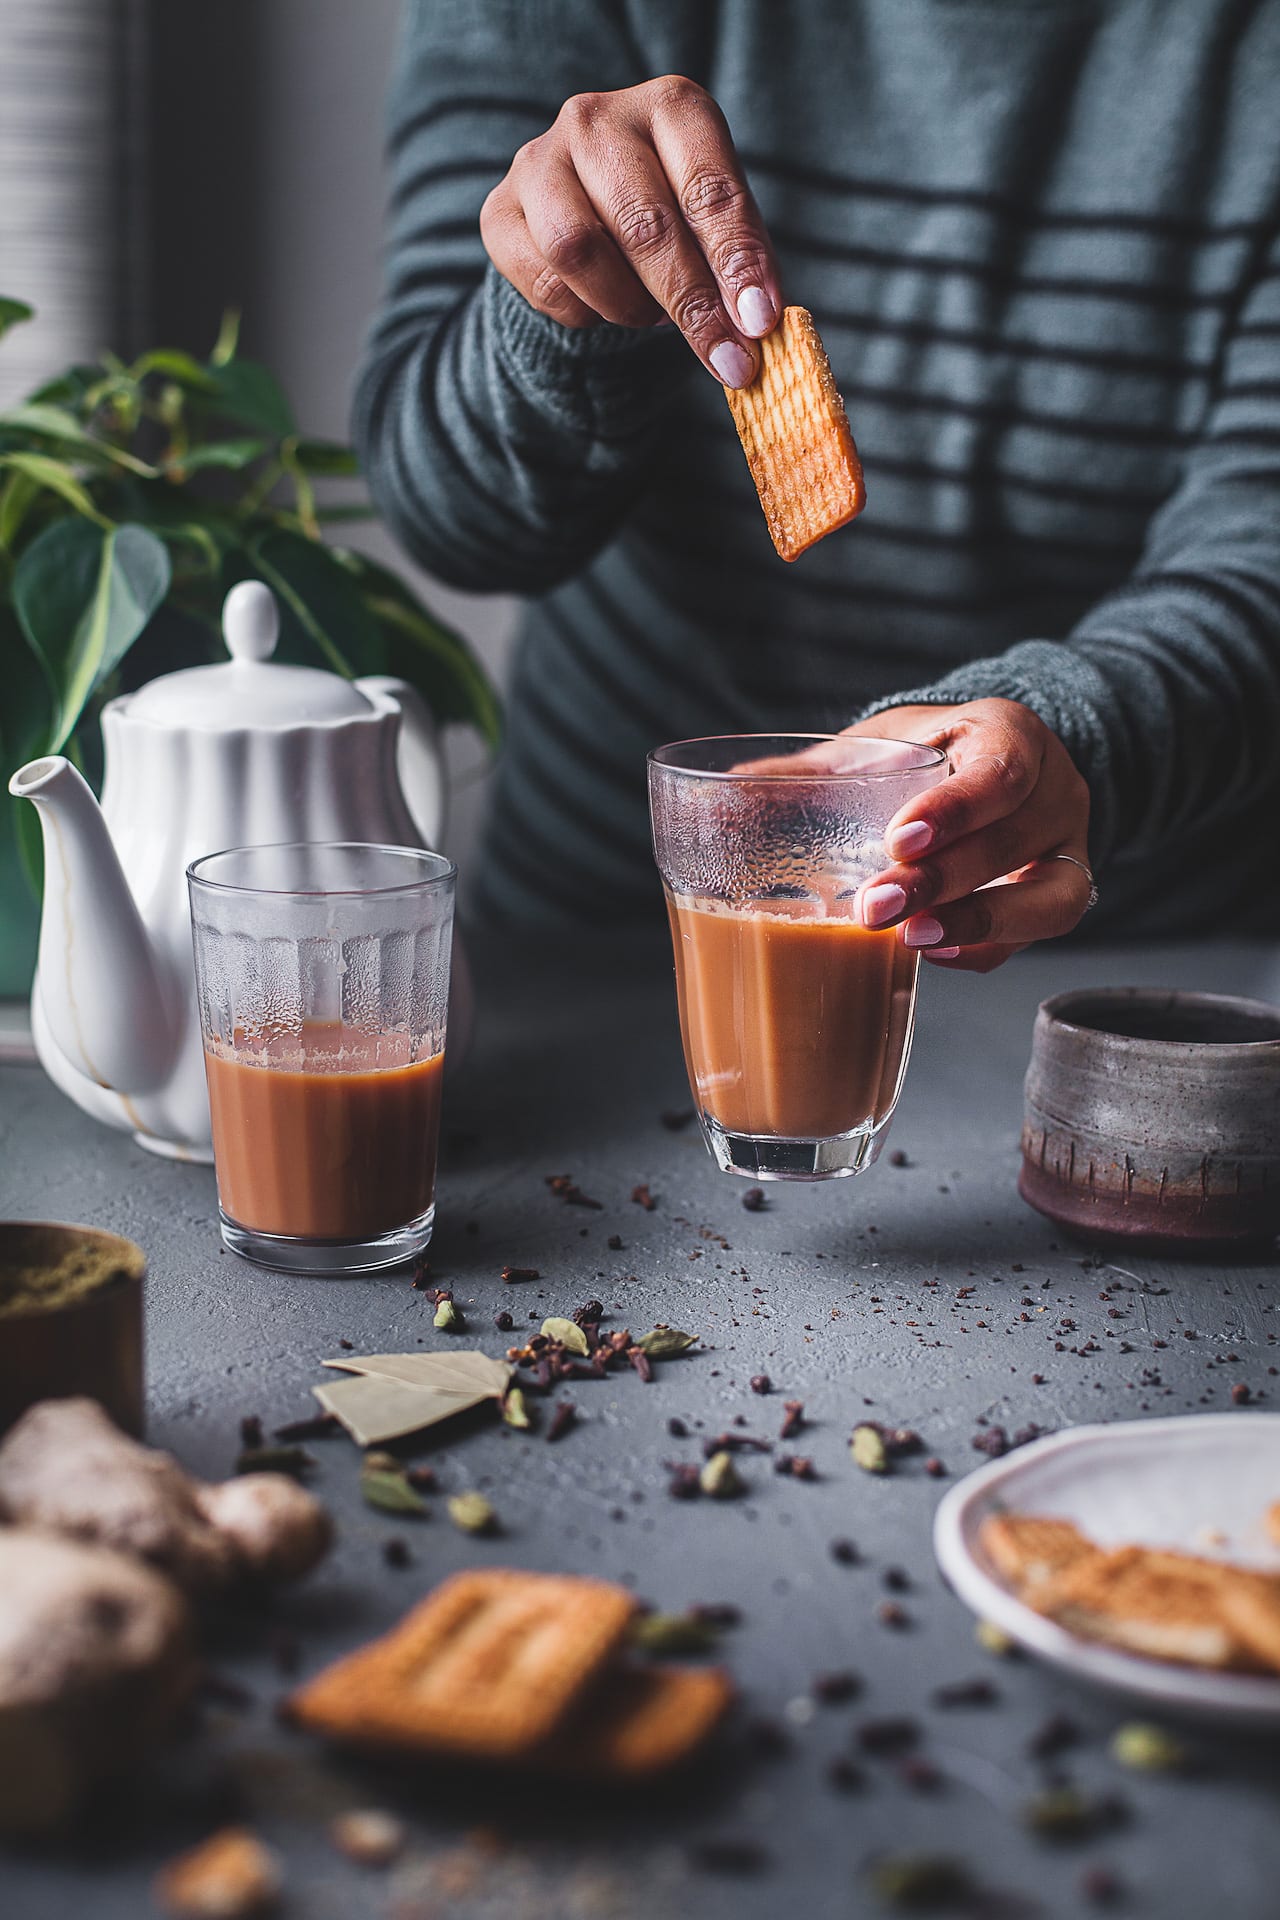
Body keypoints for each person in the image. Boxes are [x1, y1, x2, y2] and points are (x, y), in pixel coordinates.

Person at [355, 1, 1280, 970]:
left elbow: (1256, 561)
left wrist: (1058, 737)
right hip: (611, 950)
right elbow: (449, 518)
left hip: (1127, 967)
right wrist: (559, 307)